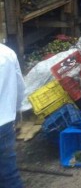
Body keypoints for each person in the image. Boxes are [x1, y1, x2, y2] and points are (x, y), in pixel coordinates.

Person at [0, 44, 25, 188]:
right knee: (8, 174)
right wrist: (15, 111)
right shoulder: (7, 52)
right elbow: (20, 88)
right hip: (4, 123)